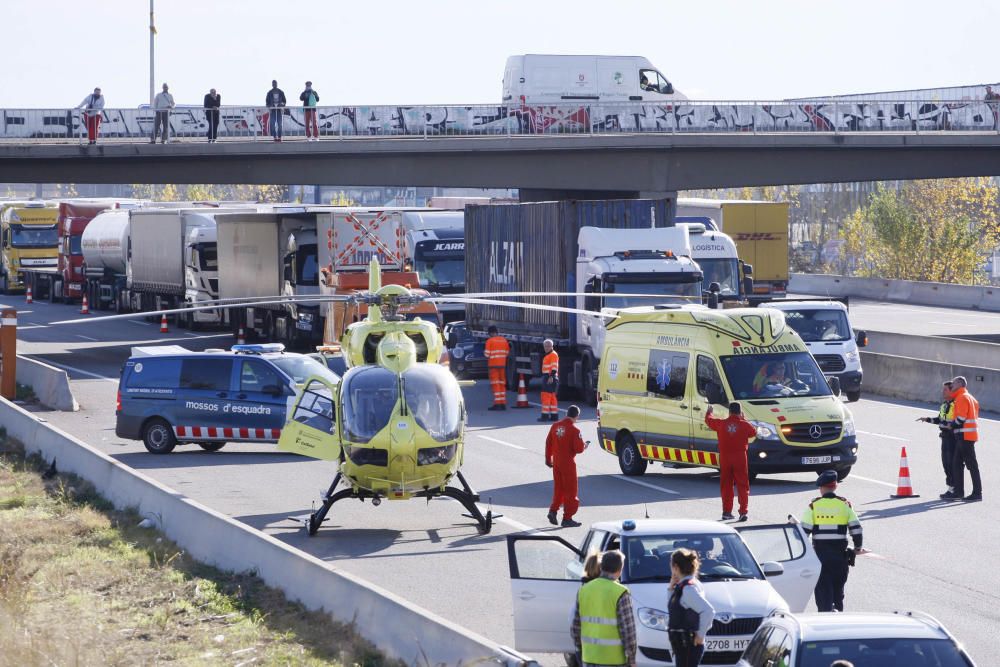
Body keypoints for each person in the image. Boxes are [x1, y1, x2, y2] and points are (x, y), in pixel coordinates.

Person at [801, 470, 863, 612]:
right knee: (838, 594)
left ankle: (825, 622)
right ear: (835, 487)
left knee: (823, 596)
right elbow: (857, 529)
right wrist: (858, 547)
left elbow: (803, 533)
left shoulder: (814, 506)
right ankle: (838, 622)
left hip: (821, 559)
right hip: (840, 558)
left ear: (821, 488)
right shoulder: (845, 505)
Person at [570, 550, 636, 667]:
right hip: (613, 660)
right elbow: (628, 631)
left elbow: (575, 627)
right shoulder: (621, 592)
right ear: (620, 569)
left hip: (589, 657)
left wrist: (580, 650)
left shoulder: (584, 590)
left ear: (602, 567)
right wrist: (631, 660)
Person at [704, 402, 757, 521]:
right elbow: (753, 432)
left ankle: (726, 512)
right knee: (742, 484)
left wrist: (709, 412)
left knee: (726, 485)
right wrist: (743, 419)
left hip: (725, 458)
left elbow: (709, 420)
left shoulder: (721, 424)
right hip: (740, 457)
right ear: (740, 412)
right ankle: (743, 512)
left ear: (729, 412)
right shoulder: (744, 425)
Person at [668, 548, 715, 667]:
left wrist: (700, 635)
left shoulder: (688, 589)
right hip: (682, 644)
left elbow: (708, 611)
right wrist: (670, 588)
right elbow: (674, 608)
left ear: (676, 567)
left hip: (688, 645)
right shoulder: (686, 585)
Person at [546, 404, 586, 528]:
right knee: (570, 491)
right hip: (568, 463)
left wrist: (548, 459)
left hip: (557, 462)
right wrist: (584, 445)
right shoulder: (575, 430)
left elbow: (548, 443)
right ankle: (567, 518)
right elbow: (578, 449)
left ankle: (553, 511)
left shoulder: (555, 426)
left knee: (559, 489)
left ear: (566, 413)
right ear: (577, 416)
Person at [917, 381, 956, 499]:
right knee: (946, 464)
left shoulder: (956, 404)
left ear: (952, 391)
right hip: (944, 436)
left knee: (951, 463)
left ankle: (955, 489)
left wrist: (945, 423)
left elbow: (956, 422)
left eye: (945, 390)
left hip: (952, 437)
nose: (942, 392)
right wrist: (928, 419)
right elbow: (940, 419)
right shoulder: (944, 405)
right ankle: (951, 488)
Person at [947, 376, 982, 501]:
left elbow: (961, 418)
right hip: (968, 435)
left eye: (954, 382)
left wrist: (951, 425)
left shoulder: (962, 397)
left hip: (964, 436)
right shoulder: (971, 398)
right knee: (957, 463)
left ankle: (977, 493)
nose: (952, 384)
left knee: (971, 465)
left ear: (961, 384)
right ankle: (959, 492)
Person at [484, 325, 510, 411]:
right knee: (502, 384)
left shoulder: (489, 341)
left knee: (496, 384)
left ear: (490, 333)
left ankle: (498, 404)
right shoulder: (504, 340)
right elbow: (506, 353)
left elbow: (487, 354)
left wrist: (485, 353)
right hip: (502, 365)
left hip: (493, 366)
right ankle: (503, 403)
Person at [539, 338, 559, 422]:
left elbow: (554, 367)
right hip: (550, 377)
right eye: (545, 346)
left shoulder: (553, 355)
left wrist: (551, 376)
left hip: (549, 377)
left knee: (546, 396)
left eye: (548, 346)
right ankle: (554, 416)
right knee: (552, 397)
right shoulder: (550, 354)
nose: (546, 348)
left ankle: (545, 416)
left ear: (552, 346)